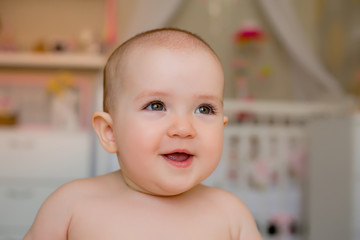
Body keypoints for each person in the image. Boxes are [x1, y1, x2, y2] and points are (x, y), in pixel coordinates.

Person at [24, 28, 262, 240]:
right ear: (110, 132)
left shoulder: (231, 215)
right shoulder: (71, 205)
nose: (183, 129)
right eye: (156, 105)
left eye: (204, 109)